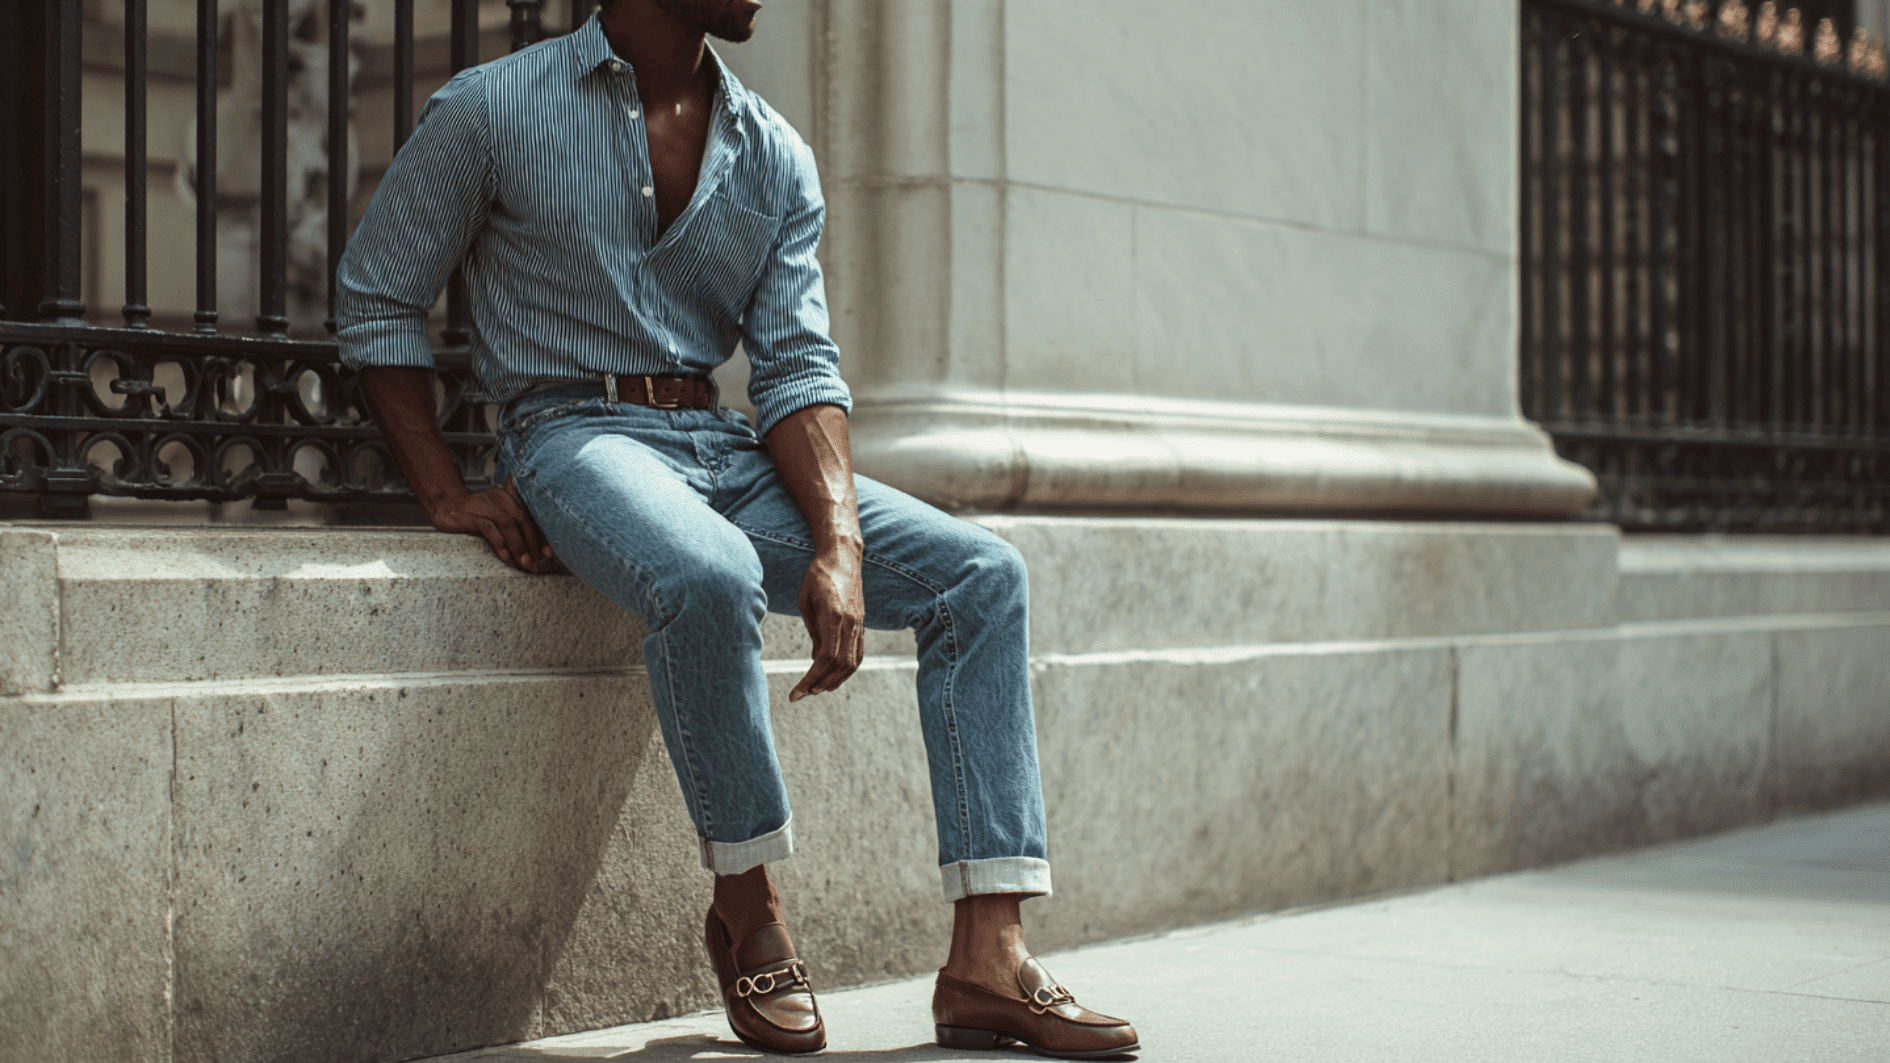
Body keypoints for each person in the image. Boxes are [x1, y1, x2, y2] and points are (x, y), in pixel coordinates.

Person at [336, 0, 1137, 1057]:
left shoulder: (772, 152)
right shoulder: (492, 108)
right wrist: (445, 490)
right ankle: (749, 907)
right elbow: (377, 295)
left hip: (723, 446)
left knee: (982, 575)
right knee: (710, 573)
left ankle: (989, 955)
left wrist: (839, 542)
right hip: (574, 433)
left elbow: (797, 369)